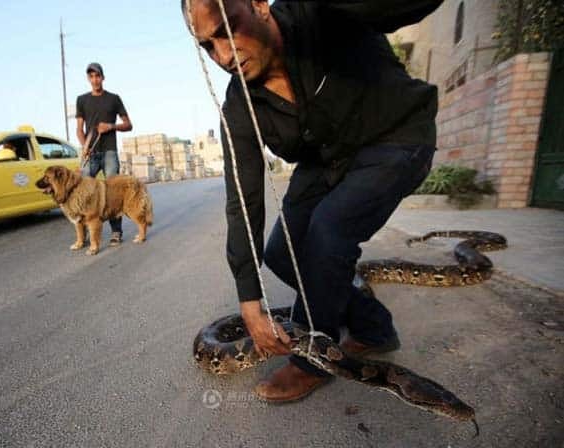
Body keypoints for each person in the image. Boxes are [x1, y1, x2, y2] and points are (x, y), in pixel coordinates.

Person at [184, 0, 442, 402]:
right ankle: (374, 327)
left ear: (258, 5)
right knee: (281, 254)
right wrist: (249, 301)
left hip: (396, 136)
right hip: (327, 160)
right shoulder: (240, 107)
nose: (222, 56)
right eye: (207, 46)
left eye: (227, 30)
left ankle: (312, 363)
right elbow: (243, 201)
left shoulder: (321, 14)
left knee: (328, 230)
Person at [76, 62, 133, 246]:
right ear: (88, 79)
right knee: (83, 192)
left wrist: (111, 126)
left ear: (103, 77)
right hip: (90, 154)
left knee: (112, 192)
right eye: (91, 76)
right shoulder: (82, 100)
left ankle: (116, 231)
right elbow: (79, 129)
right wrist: (85, 148)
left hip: (109, 152)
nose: (95, 79)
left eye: (97, 76)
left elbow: (128, 124)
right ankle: (83, 233)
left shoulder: (114, 99)